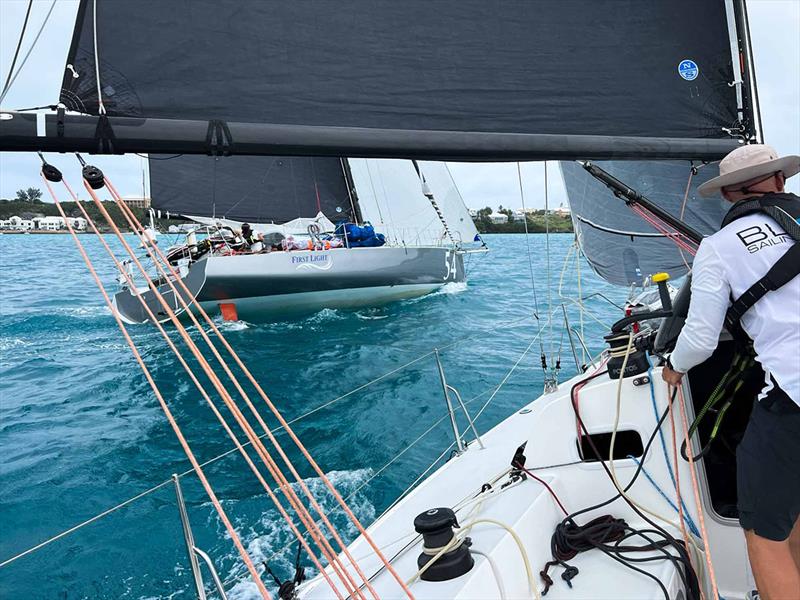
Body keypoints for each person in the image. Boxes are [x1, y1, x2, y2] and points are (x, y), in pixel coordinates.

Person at [662, 144, 800, 599]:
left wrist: (673, 368)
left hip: (793, 396)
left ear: (727, 198)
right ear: (779, 181)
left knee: (763, 535)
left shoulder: (718, 248)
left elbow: (701, 339)